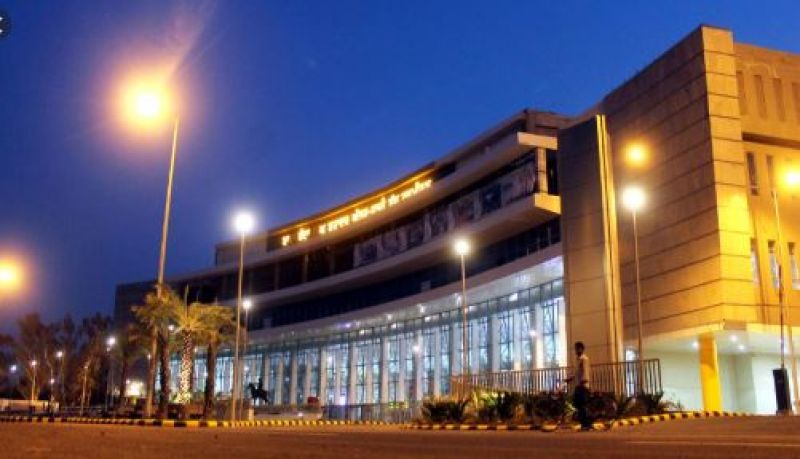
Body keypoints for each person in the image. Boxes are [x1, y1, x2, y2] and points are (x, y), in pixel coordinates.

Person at [566, 341, 592, 430]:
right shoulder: (578, 359)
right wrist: (570, 379)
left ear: (582, 349)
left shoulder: (584, 359)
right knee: (577, 404)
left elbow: (585, 371)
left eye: (577, 348)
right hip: (579, 385)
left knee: (582, 405)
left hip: (583, 385)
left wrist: (583, 381)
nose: (576, 350)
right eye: (575, 349)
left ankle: (586, 425)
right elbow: (577, 372)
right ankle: (585, 423)